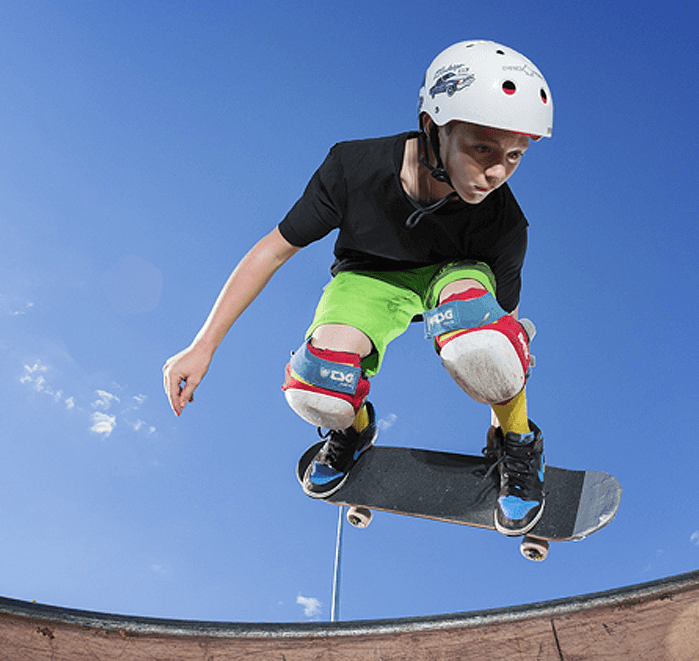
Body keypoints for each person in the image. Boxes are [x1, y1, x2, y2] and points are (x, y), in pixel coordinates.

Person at [163, 40, 552, 535]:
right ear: (433, 126)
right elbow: (272, 250)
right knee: (315, 390)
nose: (497, 172)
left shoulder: (504, 223)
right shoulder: (352, 169)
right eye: (482, 149)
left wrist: (503, 419)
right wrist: (203, 346)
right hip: (369, 278)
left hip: (457, 275)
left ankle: (522, 448)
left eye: (515, 156)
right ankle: (354, 430)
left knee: (484, 340)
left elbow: (506, 331)